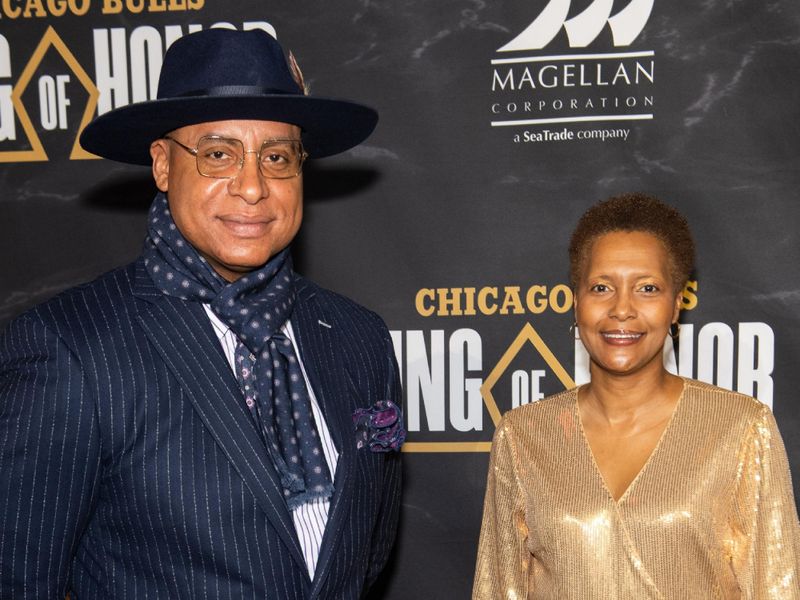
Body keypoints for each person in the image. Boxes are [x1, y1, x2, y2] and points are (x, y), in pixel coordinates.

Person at [0, 28, 405, 599]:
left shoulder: (359, 338)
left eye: (277, 157)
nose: (253, 187)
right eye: (219, 155)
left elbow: (366, 555)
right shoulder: (72, 348)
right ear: (163, 165)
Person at [472, 193, 800, 599]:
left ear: (676, 304)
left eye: (646, 288)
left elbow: (778, 586)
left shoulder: (740, 427)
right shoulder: (522, 436)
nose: (622, 309)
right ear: (576, 302)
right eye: (601, 287)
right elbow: (497, 588)